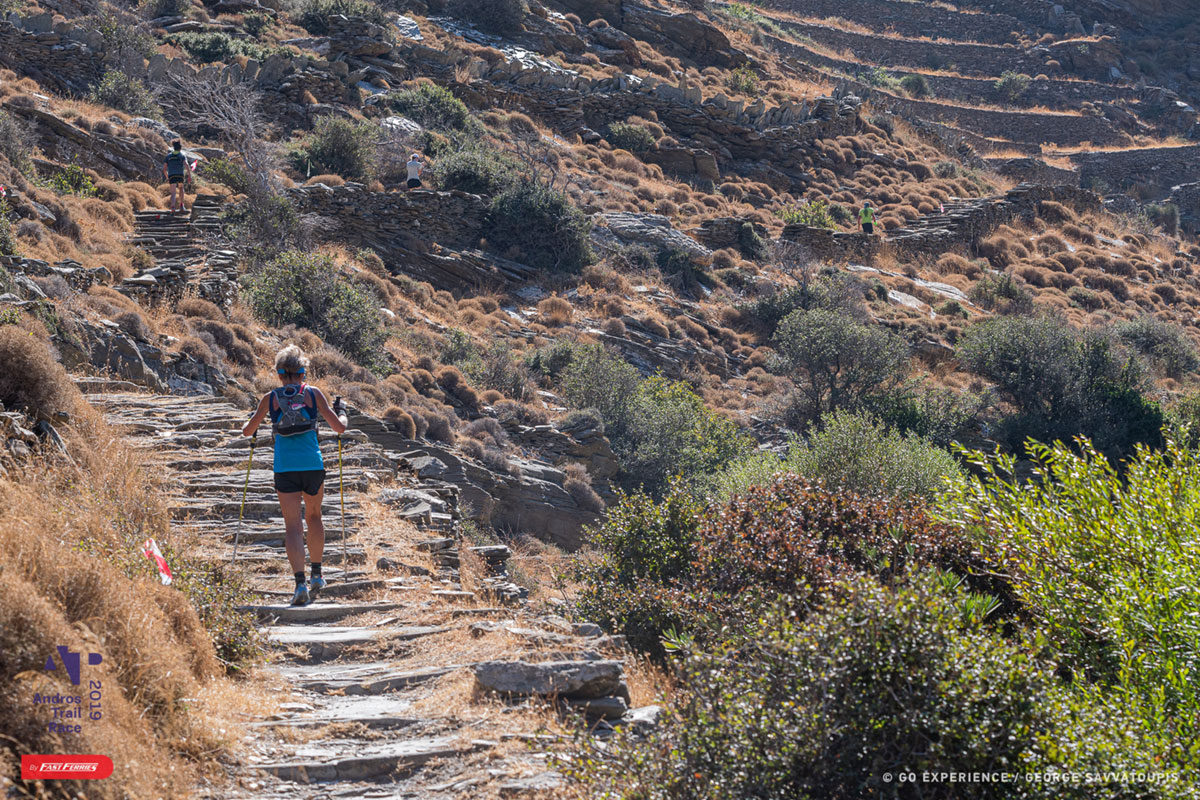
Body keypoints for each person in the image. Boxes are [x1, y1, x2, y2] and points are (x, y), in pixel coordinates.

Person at [241, 345, 348, 606]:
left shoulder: (270, 398)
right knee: (314, 517)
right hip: (312, 465)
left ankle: (299, 583)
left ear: (279, 374)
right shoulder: (313, 394)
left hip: (285, 468)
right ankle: (317, 575)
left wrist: (251, 420)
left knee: (292, 526)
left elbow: (247, 431)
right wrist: (343, 412)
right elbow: (339, 428)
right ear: (303, 372)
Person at [163, 140, 191, 214]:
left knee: (173, 192)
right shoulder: (182, 155)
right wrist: (189, 175)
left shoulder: (168, 156)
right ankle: (181, 205)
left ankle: (173, 207)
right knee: (181, 189)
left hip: (171, 175)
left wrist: (167, 177)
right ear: (180, 148)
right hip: (180, 174)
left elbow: (164, 169)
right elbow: (186, 165)